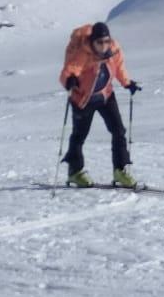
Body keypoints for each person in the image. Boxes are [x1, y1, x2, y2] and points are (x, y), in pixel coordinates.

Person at [60, 21, 141, 187]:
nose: (104, 45)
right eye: (99, 42)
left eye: (106, 41)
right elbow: (69, 70)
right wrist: (70, 79)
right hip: (83, 99)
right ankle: (75, 172)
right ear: (92, 41)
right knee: (79, 136)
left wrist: (127, 83)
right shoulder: (83, 52)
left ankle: (120, 170)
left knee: (118, 130)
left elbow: (119, 68)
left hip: (105, 95)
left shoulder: (114, 49)